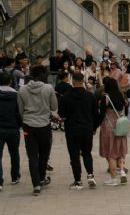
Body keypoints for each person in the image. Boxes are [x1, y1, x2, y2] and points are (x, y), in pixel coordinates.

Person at [17, 64, 57, 196]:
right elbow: (54, 106)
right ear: (44, 75)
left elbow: (20, 110)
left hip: (28, 125)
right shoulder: (48, 88)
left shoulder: (22, 90)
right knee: (44, 155)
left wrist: (26, 121)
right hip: (44, 125)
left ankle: (36, 185)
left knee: (32, 156)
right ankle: (41, 178)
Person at [58, 72, 98, 190]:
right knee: (87, 152)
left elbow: (62, 114)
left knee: (74, 155)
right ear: (83, 80)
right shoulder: (90, 95)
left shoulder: (65, 97)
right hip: (87, 129)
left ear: (73, 81)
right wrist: (94, 128)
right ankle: (90, 175)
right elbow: (96, 114)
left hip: (72, 129)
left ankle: (78, 181)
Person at [96, 77, 128, 187]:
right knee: (118, 151)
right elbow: (127, 107)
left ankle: (113, 178)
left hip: (109, 127)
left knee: (111, 154)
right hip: (120, 125)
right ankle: (122, 171)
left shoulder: (106, 97)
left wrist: (95, 126)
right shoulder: (121, 95)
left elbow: (101, 115)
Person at [0, 71, 22, 191]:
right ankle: (15, 177)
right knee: (14, 153)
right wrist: (19, 125)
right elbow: (19, 113)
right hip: (13, 128)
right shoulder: (16, 95)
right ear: (10, 82)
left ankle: (0, 181)